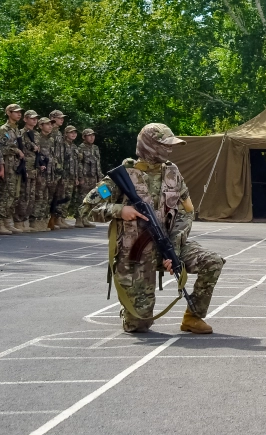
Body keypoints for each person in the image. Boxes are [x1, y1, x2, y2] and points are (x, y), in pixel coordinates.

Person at [79, 123, 224, 334]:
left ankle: (193, 317)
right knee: (138, 325)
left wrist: (173, 247)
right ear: (149, 145)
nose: (170, 149)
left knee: (213, 261)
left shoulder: (172, 173)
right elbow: (86, 209)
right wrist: (119, 210)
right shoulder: (123, 175)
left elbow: (187, 211)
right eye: (165, 145)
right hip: (135, 254)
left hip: (169, 244)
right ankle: (130, 311)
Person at [0, 103, 25, 235]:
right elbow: (1, 148)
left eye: (20, 112)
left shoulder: (16, 130)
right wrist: (16, 150)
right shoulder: (4, 129)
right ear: (9, 113)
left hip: (15, 166)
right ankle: (0, 223)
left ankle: (7, 222)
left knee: (13, 194)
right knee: (5, 194)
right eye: (16, 112)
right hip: (7, 165)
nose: (19, 114)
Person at [31, 115, 54, 232]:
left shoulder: (51, 139)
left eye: (51, 124)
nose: (50, 126)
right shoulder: (37, 137)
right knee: (38, 195)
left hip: (50, 171)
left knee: (46, 196)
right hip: (40, 170)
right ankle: (35, 221)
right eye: (47, 124)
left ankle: (42, 220)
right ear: (41, 126)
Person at [46, 110, 68, 230]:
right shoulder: (51, 133)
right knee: (50, 194)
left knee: (58, 195)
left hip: (59, 167)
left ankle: (56, 219)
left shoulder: (58, 133)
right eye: (60, 118)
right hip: (52, 167)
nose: (62, 120)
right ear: (53, 118)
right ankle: (47, 220)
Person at [77, 128, 102, 227]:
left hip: (94, 176)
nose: (92, 137)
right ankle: (78, 219)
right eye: (89, 135)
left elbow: (98, 163)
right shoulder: (80, 148)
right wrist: (80, 177)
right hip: (85, 176)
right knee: (81, 198)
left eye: (93, 135)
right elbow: (78, 164)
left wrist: (100, 176)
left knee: (92, 198)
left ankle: (85, 218)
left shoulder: (95, 148)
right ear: (84, 137)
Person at [62, 125, 84, 227]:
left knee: (68, 198)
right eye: (71, 132)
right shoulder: (62, 145)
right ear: (66, 133)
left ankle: (62, 218)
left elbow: (77, 163)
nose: (73, 134)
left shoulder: (74, 147)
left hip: (72, 176)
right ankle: (58, 218)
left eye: (75, 133)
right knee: (61, 197)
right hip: (64, 175)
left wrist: (77, 177)